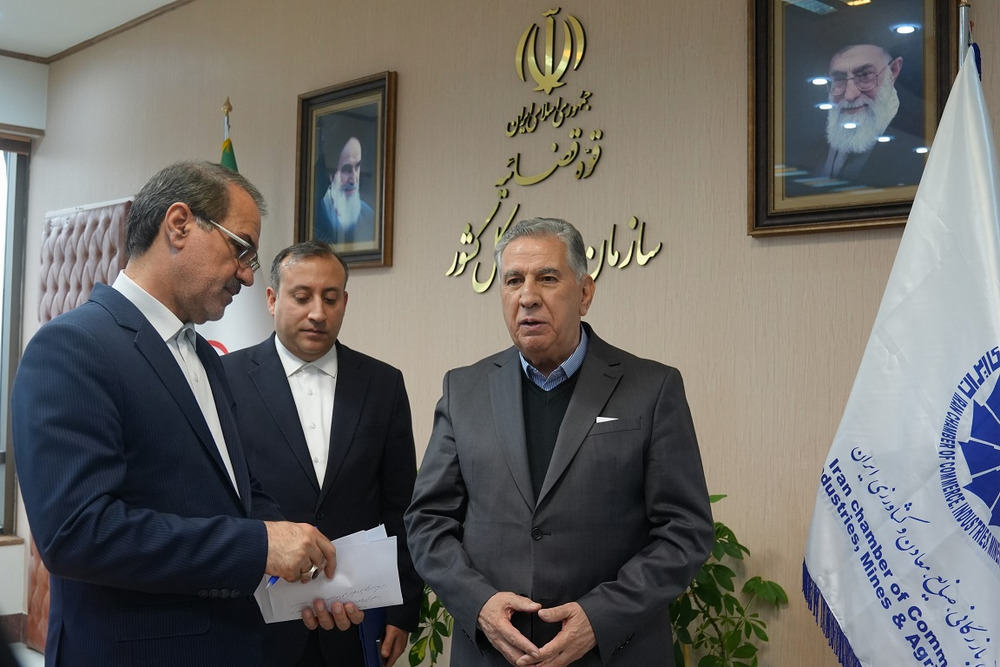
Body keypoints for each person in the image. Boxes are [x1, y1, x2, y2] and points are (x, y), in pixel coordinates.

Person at [11, 161, 362, 667]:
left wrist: (308, 568)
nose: (247, 274)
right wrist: (258, 546)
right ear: (179, 225)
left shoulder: (204, 357)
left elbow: (233, 494)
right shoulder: (73, 346)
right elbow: (77, 532)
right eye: (241, 249)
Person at [404, 217, 714, 666]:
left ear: (585, 293)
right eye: (513, 280)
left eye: (547, 278)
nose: (528, 296)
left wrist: (600, 617)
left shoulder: (653, 387)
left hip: (613, 653)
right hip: (494, 654)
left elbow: (685, 531)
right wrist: (479, 605)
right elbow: (427, 521)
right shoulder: (462, 390)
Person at [222, 240, 422, 667]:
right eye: (302, 297)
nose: (318, 312)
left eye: (330, 299)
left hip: (353, 618)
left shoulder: (382, 384)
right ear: (272, 299)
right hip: (253, 620)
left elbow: (401, 503)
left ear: (344, 302)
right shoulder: (224, 379)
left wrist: (403, 610)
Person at [794, 43, 925, 192]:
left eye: (864, 76)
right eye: (839, 79)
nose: (850, 95)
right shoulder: (811, 153)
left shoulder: (919, 143)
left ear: (893, 70)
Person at [315, 131, 376, 246]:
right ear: (331, 174)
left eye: (357, 166)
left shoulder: (369, 215)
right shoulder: (315, 216)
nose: (354, 179)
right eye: (347, 169)